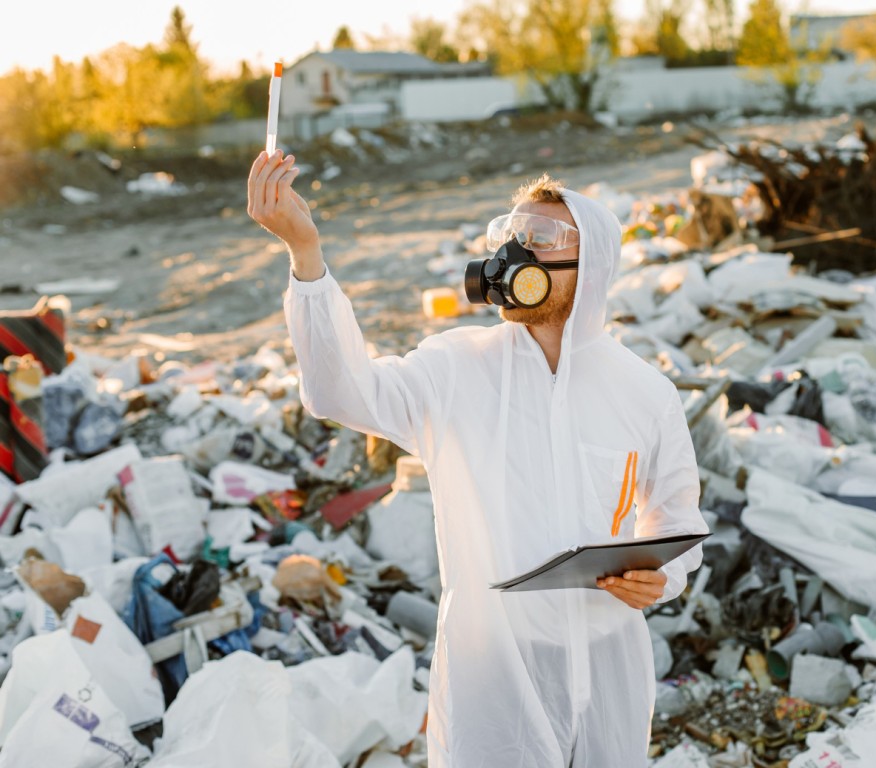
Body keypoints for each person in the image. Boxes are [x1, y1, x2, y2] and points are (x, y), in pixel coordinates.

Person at [248, 149, 709, 768]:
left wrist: (664, 577)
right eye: (510, 234)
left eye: (541, 238)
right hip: (492, 681)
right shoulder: (454, 368)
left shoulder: (645, 393)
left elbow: (678, 524)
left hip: (609, 675)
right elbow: (339, 391)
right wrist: (306, 256)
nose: (516, 252)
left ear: (590, 265)